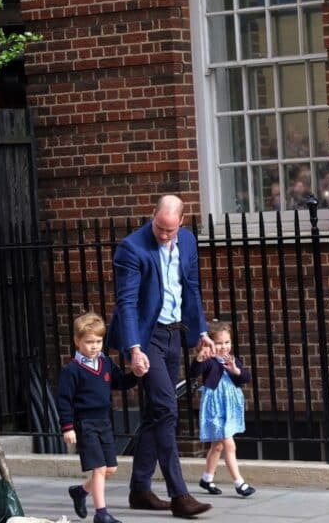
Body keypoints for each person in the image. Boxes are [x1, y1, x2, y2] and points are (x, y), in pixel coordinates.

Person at [106, 194, 215, 518]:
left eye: (170, 230)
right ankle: (179, 495)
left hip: (173, 334)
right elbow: (126, 303)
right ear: (153, 216)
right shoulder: (132, 248)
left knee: (156, 413)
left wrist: (200, 334)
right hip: (147, 336)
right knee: (167, 409)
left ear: (181, 222)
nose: (165, 235)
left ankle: (140, 490)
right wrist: (133, 349)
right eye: (159, 228)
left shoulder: (188, 241)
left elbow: (191, 289)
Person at [57, 311, 138, 523]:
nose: (94, 346)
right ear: (76, 341)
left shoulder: (106, 363)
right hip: (85, 425)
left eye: (98, 341)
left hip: (104, 422)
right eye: (89, 342)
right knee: (99, 468)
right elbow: (64, 400)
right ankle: (101, 514)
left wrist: (137, 374)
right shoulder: (71, 370)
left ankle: (81, 492)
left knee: (110, 468)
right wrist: (67, 427)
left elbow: (121, 383)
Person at [190, 320, 256, 498]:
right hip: (215, 408)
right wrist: (199, 358)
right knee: (229, 444)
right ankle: (239, 483)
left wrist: (236, 371)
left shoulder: (232, 360)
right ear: (211, 343)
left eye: (227, 342)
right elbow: (194, 371)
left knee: (217, 446)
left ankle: (207, 478)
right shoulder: (209, 361)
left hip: (230, 408)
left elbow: (246, 377)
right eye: (219, 343)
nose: (224, 346)